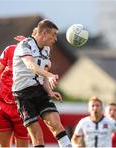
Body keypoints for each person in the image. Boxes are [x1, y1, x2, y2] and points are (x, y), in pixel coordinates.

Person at [12, 19, 72, 147]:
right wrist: (50, 75)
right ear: (44, 33)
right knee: (38, 136)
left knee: (56, 124)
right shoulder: (25, 45)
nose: (55, 39)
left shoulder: (46, 49)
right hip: (23, 95)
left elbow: (43, 74)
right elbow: (30, 65)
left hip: (40, 91)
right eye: (54, 34)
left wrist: (50, 91)